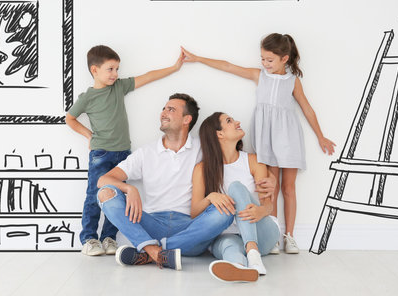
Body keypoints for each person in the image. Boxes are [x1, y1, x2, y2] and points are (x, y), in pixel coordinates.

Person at [182, 33, 336, 254]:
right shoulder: (259, 76)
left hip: (288, 136)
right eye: (262, 58)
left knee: (289, 188)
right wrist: (198, 58)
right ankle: (272, 234)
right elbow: (228, 66)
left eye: (269, 60)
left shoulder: (293, 81)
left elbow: (306, 107)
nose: (264, 63)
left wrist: (320, 136)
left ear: (285, 58)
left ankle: (289, 236)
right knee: (268, 187)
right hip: (266, 136)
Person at [66, 45, 184, 257]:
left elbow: (148, 77)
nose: (115, 74)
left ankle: (109, 238)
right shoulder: (88, 97)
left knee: (117, 195)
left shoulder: (119, 87)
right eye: (110, 69)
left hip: (123, 153)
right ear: (95, 70)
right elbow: (70, 119)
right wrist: (88, 135)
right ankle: (89, 239)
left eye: (117, 69)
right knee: (94, 195)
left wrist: (174, 68)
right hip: (100, 154)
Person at [96, 94, 235, 270]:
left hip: (191, 229)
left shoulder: (203, 148)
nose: (163, 113)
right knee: (106, 193)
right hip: (152, 224)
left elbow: (234, 159)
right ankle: (155, 251)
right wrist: (129, 188)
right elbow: (103, 180)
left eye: (171, 109)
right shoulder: (146, 152)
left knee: (226, 211)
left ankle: (150, 252)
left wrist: (265, 177)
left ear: (187, 119)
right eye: (163, 108)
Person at [191, 112, 279, 282]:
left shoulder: (253, 161)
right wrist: (211, 197)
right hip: (227, 234)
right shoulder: (202, 169)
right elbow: (194, 212)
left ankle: (253, 253)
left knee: (236, 187)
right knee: (229, 246)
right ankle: (240, 268)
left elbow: (268, 205)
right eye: (229, 121)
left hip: (262, 234)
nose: (238, 122)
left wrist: (261, 211)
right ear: (219, 134)